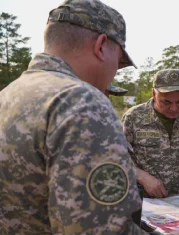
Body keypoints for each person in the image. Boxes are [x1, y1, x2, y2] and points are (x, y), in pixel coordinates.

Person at [0, 0, 146, 233]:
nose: (114, 73)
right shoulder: (82, 101)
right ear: (100, 46)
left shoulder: (8, 95)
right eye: (118, 62)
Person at [122, 69, 179, 198]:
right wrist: (142, 177)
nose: (174, 108)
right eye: (166, 102)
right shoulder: (133, 117)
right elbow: (118, 159)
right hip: (146, 202)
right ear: (154, 94)